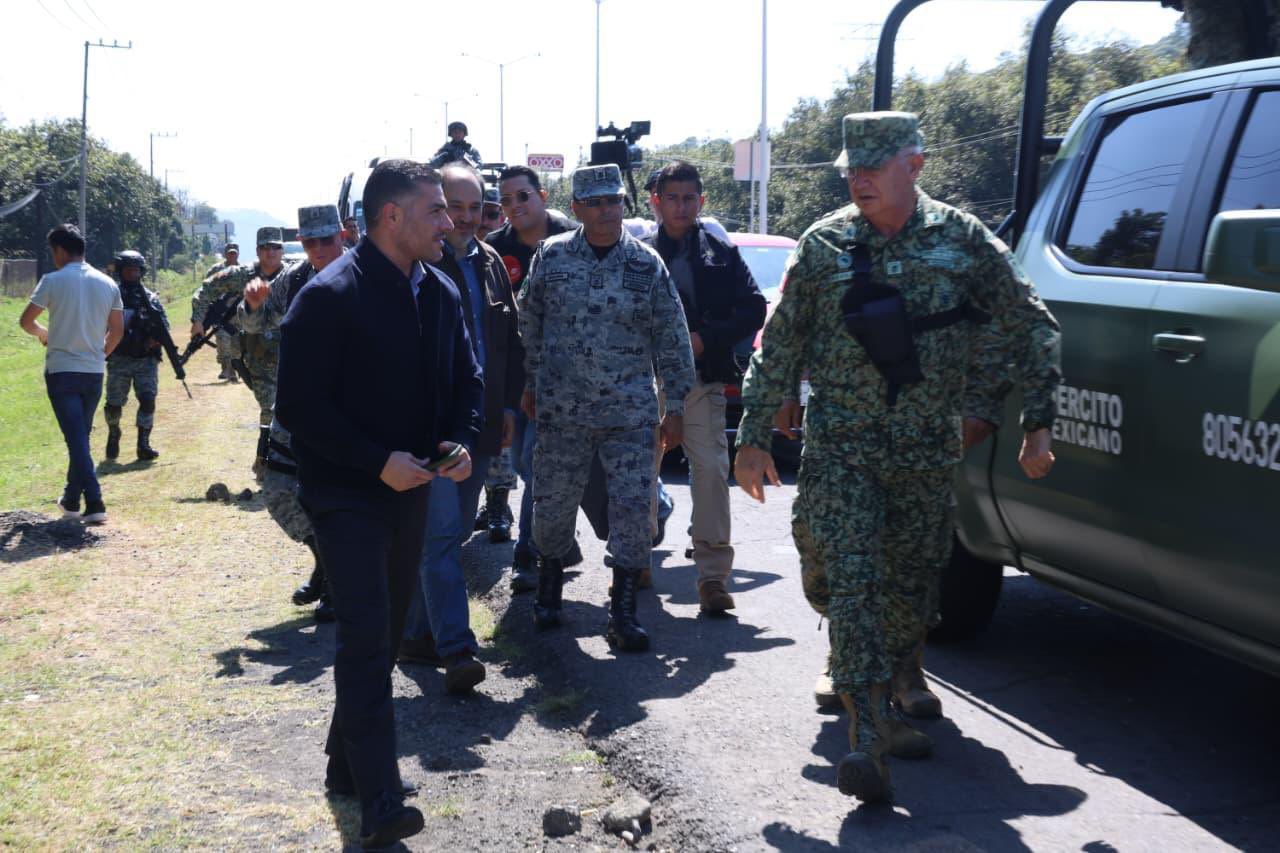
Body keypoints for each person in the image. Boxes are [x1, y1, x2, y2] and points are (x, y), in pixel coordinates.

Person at [734, 112, 1061, 804]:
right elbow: (779, 343)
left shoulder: (962, 240)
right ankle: (867, 735)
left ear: (913, 166)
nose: (859, 180)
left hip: (923, 451)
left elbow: (1029, 322)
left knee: (908, 588)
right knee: (843, 575)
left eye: (873, 168)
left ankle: (887, 681)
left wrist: (1035, 422)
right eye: (852, 168)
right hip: (841, 446)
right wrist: (753, 435)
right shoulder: (824, 245)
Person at [276, 159, 482, 848]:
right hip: (344, 492)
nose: (449, 222)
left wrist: (458, 440)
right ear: (392, 216)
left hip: (412, 489)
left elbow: (467, 383)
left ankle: (343, 764)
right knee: (367, 637)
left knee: (387, 638)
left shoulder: (442, 291)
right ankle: (381, 802)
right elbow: (301, 409)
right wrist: (374, 461)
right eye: (436, 211)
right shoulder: (327, 296)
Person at [519, 163, 695, 652]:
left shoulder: (645, 264)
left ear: (624, 204)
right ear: (575, 208)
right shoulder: (550, 259)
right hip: (562, 412)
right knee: (552, 506)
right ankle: (549, 589)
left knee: (635, 512)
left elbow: (672, 336)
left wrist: (676, 404)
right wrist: (530, 383)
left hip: (630, 414)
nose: (606, 210)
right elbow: (529, 324)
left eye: (614, 201)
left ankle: (622, 612)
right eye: (595, 202)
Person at [399, 163, 523, 694]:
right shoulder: (416, 263)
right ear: (436, 208)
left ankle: (416, 634)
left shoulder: (492, 262)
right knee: (443, 534)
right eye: (456, 207)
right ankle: (457, 649)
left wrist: (510, 409)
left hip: (482, 423)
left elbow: (509, 342)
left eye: (477, 208)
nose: (468, 218)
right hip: (433, 427)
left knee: (445, 535)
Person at [644, 161, 767, 614]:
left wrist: (704, 338)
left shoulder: (720, 252)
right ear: (655, 201)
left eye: (689, 198)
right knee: (639, 470)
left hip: (701, 377)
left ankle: (713, 577)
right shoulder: (635, 253)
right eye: (672, 197)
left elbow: (753, 308)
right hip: (645, 379)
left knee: (713, 471)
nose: (681, 206)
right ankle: (637, 554)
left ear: (702, 201)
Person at [238, 204, 348, 624]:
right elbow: (255, 325)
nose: (319, 248)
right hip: (297, 403)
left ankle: (340, 583)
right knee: (278, 488)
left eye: (327, 239)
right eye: (310, 241)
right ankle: (323, 561)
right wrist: (252, 305)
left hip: (348, 408)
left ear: (342, 234)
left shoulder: (368, 273)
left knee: (337, 497)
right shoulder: (294, 278)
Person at [486, 165, 577, 590]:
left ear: (541, 195)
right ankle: (554, 537)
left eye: (522, 196)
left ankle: (529, 553)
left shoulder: (572, 239)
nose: (514, 206)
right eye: (505, 200)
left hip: (563, 378)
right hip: (515, 379)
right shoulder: (494, 251)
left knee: (537, 466)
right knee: (525, 463)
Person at [19, 224, 123, 524]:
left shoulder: (52, 280)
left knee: (76, 438)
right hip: (93, 371)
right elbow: (117, 331)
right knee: (80, 436)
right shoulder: (107, 283)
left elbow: (26, 321)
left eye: (53, 252)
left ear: (61, 251)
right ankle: (71, 499)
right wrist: (99, 355)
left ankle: (95, 500)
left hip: (62, 371)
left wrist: (44, 334)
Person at [191, 226, 297, 480]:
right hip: (255, 355)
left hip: (292, 353)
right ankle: (265, 462)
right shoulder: (242, 275)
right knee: (270, 407)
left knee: (290, 407)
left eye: (275, 247)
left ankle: (284, 460)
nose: (270, 252)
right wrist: (197, 320)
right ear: (257, 250)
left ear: (282, 249)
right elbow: (206, 289)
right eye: (265, 248)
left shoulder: (295, 273)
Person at [103, 251, 168, 461]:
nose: (133, 273)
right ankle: (114, 433)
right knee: (114, 403)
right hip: (119, 358)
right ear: (121, 271)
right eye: (129, 269)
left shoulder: (151, 299)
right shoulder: (110, 297)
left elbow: (164, 327)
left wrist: (155, 339)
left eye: (136, 269)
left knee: (148, 400)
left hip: (146, 359)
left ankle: (143, 443)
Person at [202, 242, 243, 381]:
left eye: (234, 253)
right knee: (222, 341)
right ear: (225, 254)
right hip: (220, 313)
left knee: (237, 343)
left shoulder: (244, 270)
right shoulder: (216, 270)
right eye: (229, 253)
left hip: (239, 314)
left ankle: (234, 369)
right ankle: (226, 369)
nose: (232, 255)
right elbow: (206, 290)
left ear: (238, 254)